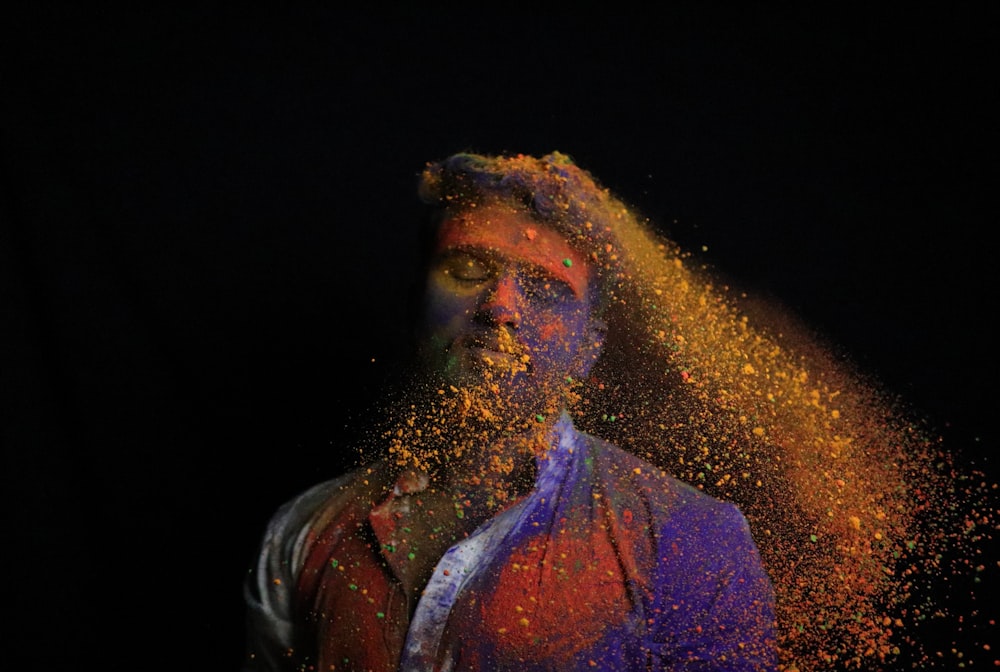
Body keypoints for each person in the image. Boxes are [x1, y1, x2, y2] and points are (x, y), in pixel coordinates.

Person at [242, 151, 779, 671]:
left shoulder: (691, 540)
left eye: (546, 287)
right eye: (468, 268)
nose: (500, 306)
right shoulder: (303, 530)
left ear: (589, 348)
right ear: (414, 305)